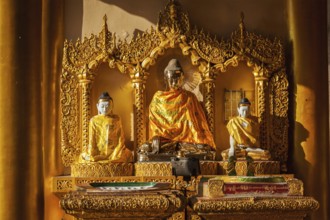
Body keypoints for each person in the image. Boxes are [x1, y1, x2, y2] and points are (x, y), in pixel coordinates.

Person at [138, 59, 216, 160]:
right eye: (172, 78)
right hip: (165, 141)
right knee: (146, 149)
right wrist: (156, 138)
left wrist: (200, 139)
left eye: (178, 78)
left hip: (187, 142)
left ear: (183, 78)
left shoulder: (190, 97)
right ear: (166, 78)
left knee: (204, 148)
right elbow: (155, 124)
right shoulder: (158, 97)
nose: (175, 82)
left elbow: (199, 123)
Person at [80, 92, 133, 163]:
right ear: (97, 106)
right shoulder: (94, 120)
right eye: (102, 106)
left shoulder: (117, 119)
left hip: (114, 151)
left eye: (107, 106)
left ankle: (112, 159)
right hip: (99, 152)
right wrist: (91, 152)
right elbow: (91, 139)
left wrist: (117, 151)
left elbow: (121, 137)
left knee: (128, 154)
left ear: (112, 106)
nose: (105, 109)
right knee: (84, 156)